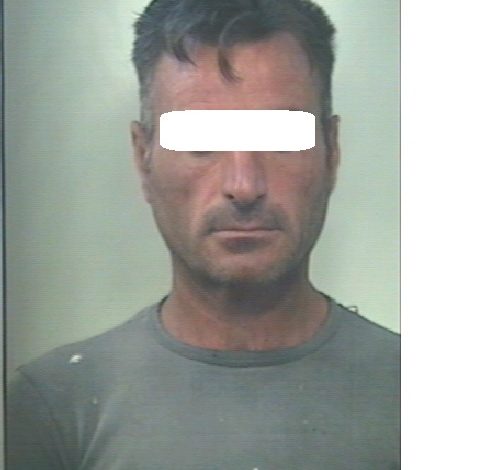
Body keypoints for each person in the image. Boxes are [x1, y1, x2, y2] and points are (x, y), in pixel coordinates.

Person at [6, 0, 400, 468]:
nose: (244, 186)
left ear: (331, 152)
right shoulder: (54, 406)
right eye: (199, 141)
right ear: (143, 158)